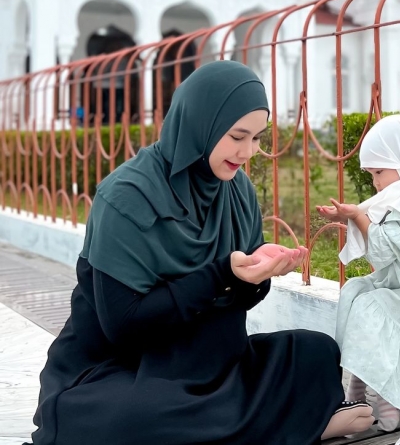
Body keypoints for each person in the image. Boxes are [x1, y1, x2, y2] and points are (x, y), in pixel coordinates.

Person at [28, 60, 374, 445]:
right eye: (237, 136)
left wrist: (257, 274)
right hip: (120, 368)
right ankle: (294, 423)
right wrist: (221, 275)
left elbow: (235, 300)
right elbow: (123, 327)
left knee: (316, 350)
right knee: (136, 417)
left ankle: (251, 421)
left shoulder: (237, 191)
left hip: (212, 364)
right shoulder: (126, 197)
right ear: (200, 123)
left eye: (257, 138)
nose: (247, 152)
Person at [317, 114, 400, 432]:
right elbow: (378, 237)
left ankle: (384, 394)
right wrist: (352, 214)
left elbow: (380, 251)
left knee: (370, 306)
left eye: (379, 172)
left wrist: (357, 216)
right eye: (372, 174)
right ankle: (358, 384)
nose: (375, 182)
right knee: (354, 292)